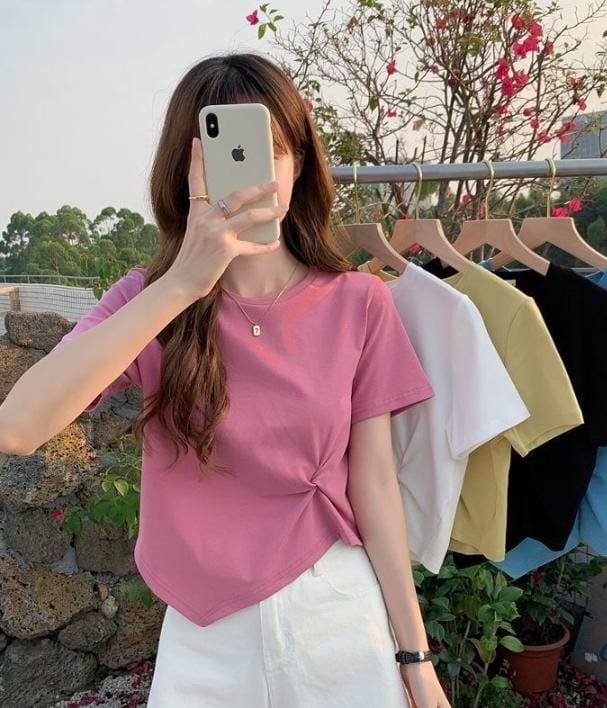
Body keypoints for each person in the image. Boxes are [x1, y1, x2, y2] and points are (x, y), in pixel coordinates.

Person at [0, 52, 452, 708]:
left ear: (301, 163)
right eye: (224, 156)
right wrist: (182, 285)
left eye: (271, 152)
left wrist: (415, 658)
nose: (251, 176)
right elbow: (17, 426)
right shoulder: (148, 300)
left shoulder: (359, 302)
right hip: (203, 631)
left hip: (333, 611)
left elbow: (375, 483)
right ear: (185, 173)